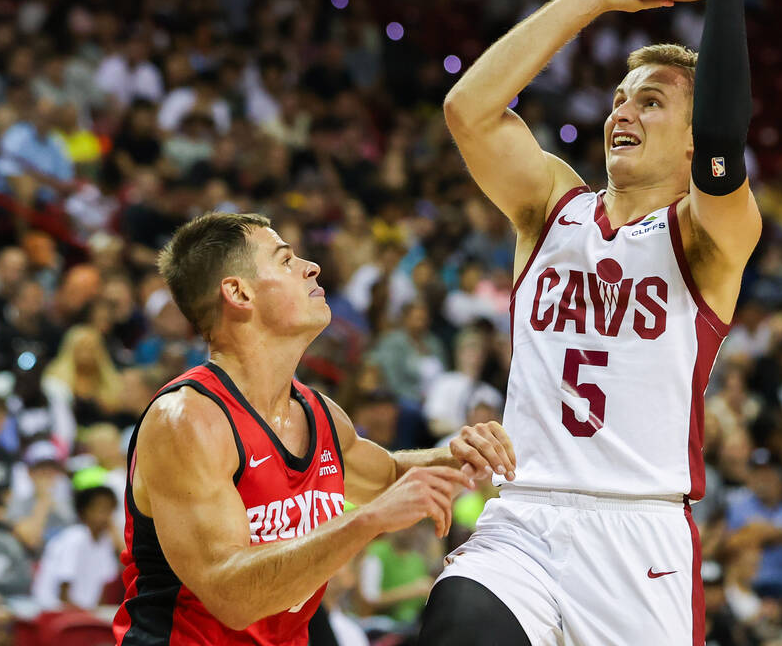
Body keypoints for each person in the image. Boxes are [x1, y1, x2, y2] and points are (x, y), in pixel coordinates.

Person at [420, 0, 761, 646]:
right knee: (459, 625)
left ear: (688, 137)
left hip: (639, 540)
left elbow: (723, 137)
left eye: (651, 100)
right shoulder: (550, 206)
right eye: (618, 97)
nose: (624, 111)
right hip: (525, 518)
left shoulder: (711, 237)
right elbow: (467, 111)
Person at [112, 212, 512, 645]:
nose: (311, 266)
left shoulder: (318, 412)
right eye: (285, 260)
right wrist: (364, 522)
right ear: (238, 292)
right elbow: (231, 596)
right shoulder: (188, 420)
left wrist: (462, 453)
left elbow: (389, 478)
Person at [31, 486, 120, 610]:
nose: (106, 516)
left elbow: (103, 586)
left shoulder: (105, 541)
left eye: (110, 510)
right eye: (101, 510)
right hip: (55, 610)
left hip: (85, 612)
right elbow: (63, 591)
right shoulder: (74, 538)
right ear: (84, 512)